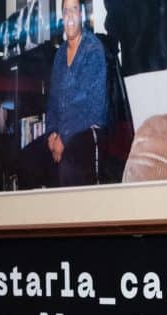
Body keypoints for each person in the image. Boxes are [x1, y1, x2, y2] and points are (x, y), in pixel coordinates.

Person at [44, 0, 108, 186]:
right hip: (62, 131)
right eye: (66, 11)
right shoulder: (60, 54)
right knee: (27, 160)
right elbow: (53, 100)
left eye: (74, 10)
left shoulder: (93, 49)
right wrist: (52, 132)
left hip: (87, 130)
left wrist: (63, 138)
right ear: (62, 18)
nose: (70, 16)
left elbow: (93, 108)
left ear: (81, 15)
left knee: (68, 166)